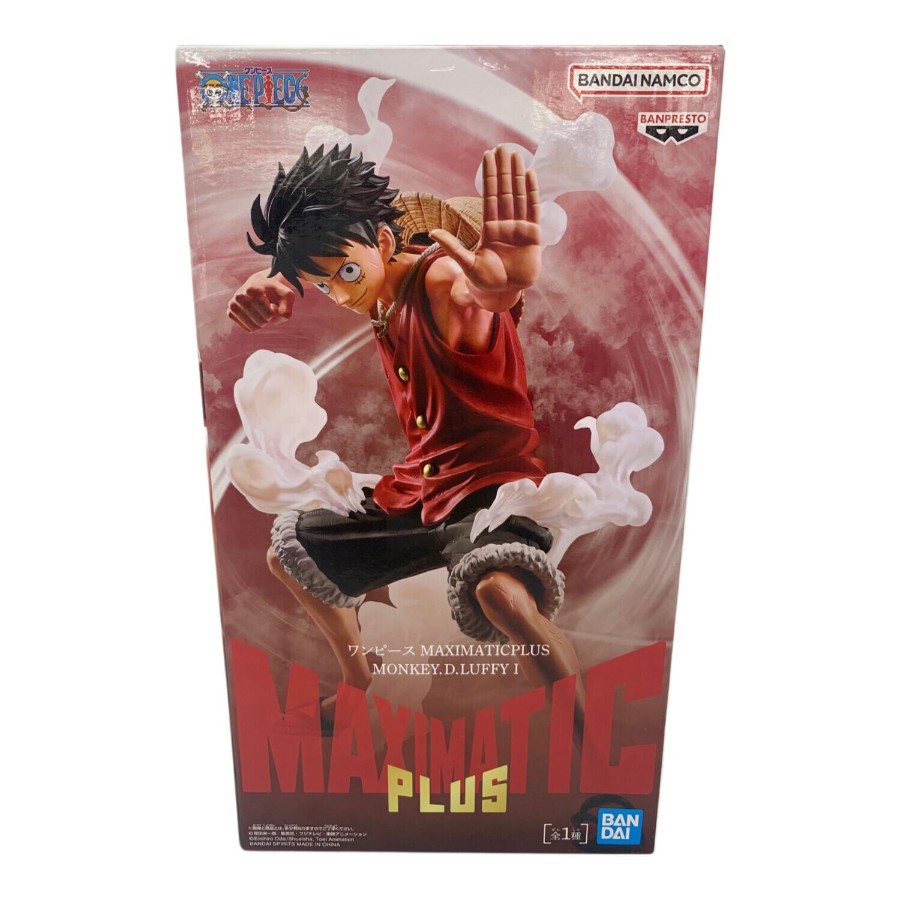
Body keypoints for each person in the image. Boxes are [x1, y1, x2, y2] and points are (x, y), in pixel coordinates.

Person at [228, 143, 582, 732]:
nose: (342, 294)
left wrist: (502, 288)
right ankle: (358, 685)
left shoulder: (440, 278)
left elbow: (474, 294)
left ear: (387, 241)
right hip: (421, 494)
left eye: (346, 274)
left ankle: (586, 740)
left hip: (494, 492)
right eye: (324, 286)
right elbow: (321, 264)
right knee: (293, 554)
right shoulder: (377, 287)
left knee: (500, 595)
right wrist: (271, 280)